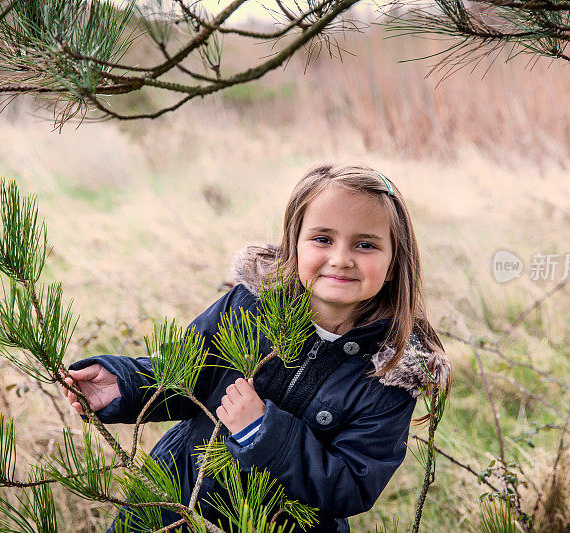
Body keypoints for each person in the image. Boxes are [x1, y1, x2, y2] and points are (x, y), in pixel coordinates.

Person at [63, 164, 451, 532]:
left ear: (395, 259)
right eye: (322, 239)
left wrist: (262, 432)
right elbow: (185, 373)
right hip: (175, 496)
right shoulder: (250, 305)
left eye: (366, 244)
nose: (340, 258)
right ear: (294, 243)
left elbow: (352, 484)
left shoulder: (390, 372)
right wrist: (126, 384)